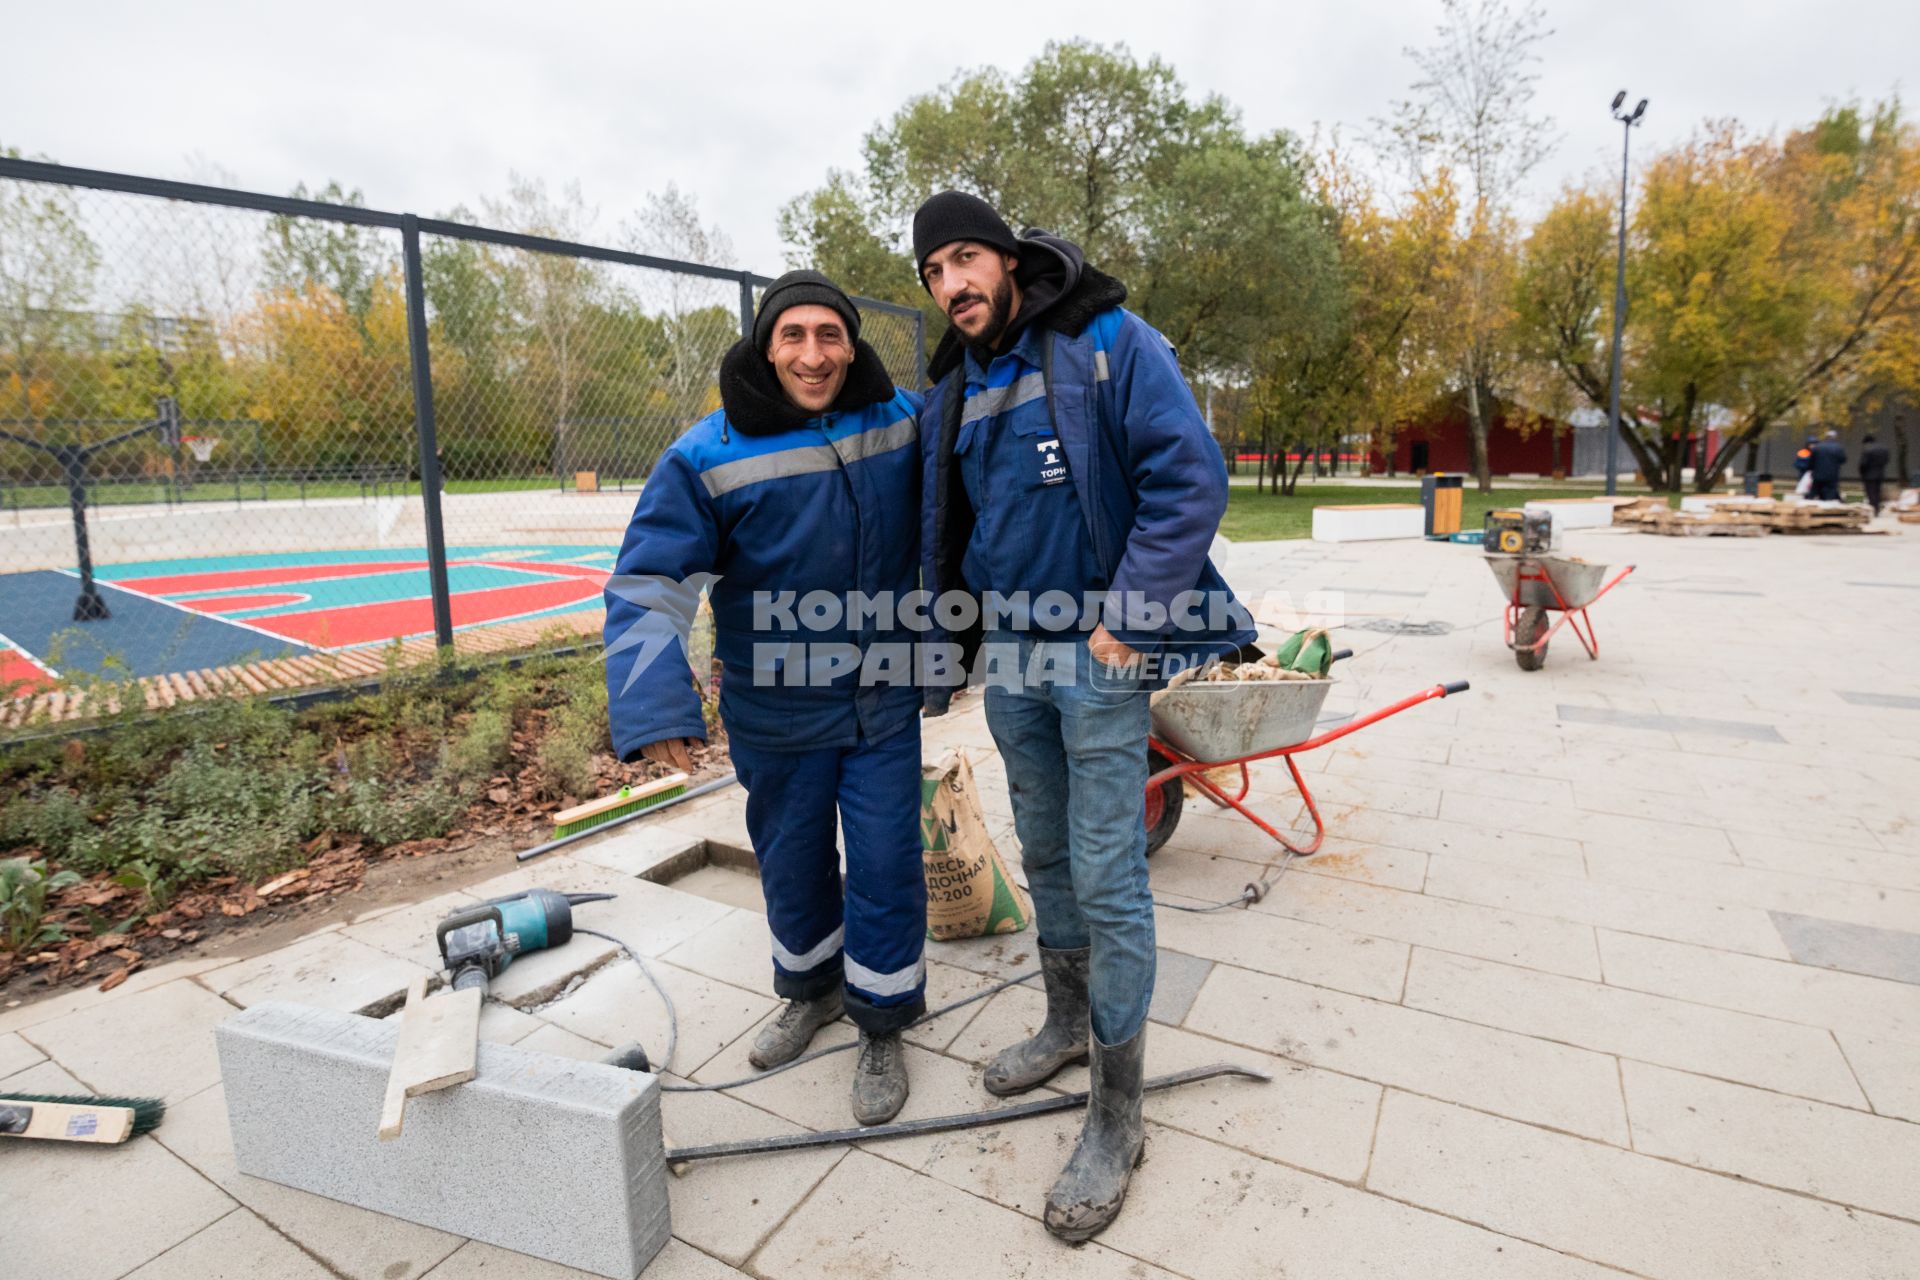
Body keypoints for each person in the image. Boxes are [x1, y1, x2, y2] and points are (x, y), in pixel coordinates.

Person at [912, 191, 1254, 1242]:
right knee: (1047, 849)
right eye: (932, 272)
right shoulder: (961, 385)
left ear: (1008, 258)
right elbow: (945, 516)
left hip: (1099, 647)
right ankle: (1065, 1019)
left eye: (965, 258)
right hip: (1013, 652)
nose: (952, 285)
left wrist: (1131, 618)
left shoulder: (1108, 342)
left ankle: (1117, 1110)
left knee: (1109, 868)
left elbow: (1189, 478)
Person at [603, 271, 925, 1124]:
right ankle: (811, 990)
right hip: (775, 711)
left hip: (883, 704)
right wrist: (655, 709)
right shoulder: (705, 456)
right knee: (791, 866)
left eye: (830, 335)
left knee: (888, 868)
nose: (813, 355)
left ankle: (883, 1021)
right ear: (765, 345)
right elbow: (648, 583)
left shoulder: (901, 423)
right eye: (794, 336)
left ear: (852, 344)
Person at [1811, 428, 1847, 502]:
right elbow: (1843, 460)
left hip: (1818, 475)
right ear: (1834, 437)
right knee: (1830, 493)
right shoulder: (1838, 447)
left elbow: (1812, 461)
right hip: (1832, 475)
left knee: (1816, 492)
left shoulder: (1818, 447)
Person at [1860, 433, 1891, 513]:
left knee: (1871, 492)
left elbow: (1863, 463)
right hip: (1880, 473)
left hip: (1869, 475)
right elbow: (1887, 460)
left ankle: (1873, 508)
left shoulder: (1868, 449)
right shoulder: (1884, 449)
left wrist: (1862, 473)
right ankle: (1877, 508)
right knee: (1877, 491)